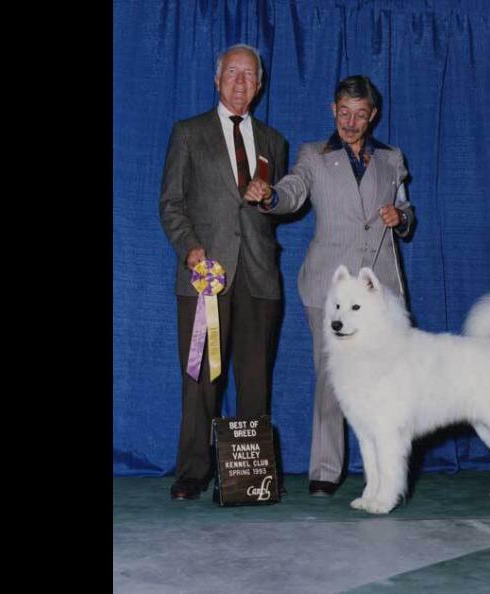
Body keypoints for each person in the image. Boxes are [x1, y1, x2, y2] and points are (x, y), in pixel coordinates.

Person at [245, 75, 415, 496]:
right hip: (330, 287)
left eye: (360, 115)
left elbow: (407, 210)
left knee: (391, 379)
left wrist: (402, 218)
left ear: (372, 116)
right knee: (331, 376)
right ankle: (324, 470)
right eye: (344, 113)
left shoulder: (392, 159)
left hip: (380, 289)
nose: (352, 122)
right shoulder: (313, 156)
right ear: (332, 110)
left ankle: (390, 472)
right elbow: (293, 190)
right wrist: (270, 197)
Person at [159, 44, 288, 501]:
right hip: (205, 276)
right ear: (217, 80)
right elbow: (170, 203)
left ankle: (251, 478)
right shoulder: (188, 132)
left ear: (259, 85)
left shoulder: (274, 142)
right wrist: (191, 250)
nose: (240, 82)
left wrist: (270, 197)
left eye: (249, 75)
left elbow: (275, 207)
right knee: (200, 379)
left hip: (259, 278)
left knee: (255, 381)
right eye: (232, 73)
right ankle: (193, 471)